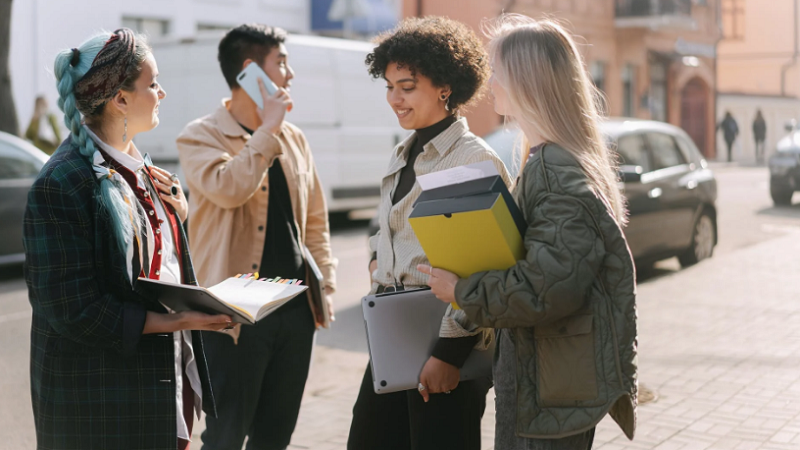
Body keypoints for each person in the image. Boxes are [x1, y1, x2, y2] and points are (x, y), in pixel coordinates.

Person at [419, 15, 638, 449]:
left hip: (552, 397)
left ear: (526, 80)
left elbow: (546, 289)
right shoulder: (545, 161)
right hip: (546, 386)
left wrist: (462, 291)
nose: (491, 81)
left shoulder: (558, 171)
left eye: (497, 69)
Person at [24, 29, 233, 450]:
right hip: (103, 403)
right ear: (120, 99)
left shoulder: (139, 164)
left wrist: (180, 214)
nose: (163, 93)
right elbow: (74, 310)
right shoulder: (61, 183)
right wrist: (176, 322)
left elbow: (150, 263)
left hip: (163, 387)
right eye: (153, 84)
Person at [347, 17, 510, 450]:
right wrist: (376, 258)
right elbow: (388, 226)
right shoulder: (403, 152)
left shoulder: (471, 160)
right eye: (388, 86)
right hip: (394, 337)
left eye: (406, 86)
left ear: (444, 87)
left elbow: (486, 268)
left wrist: (448, 355)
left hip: (448, 345)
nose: (394, 99)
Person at [176, 23, 337, 450]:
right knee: (226, 435)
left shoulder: (295, 138)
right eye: (281, 63)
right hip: (234, 308)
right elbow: (230, 188)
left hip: (294, 304)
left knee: (275, 436)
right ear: (250, 72)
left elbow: (315, 219)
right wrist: (268, 129)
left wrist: (328, 287)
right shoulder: (200, 135)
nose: (290, 74)